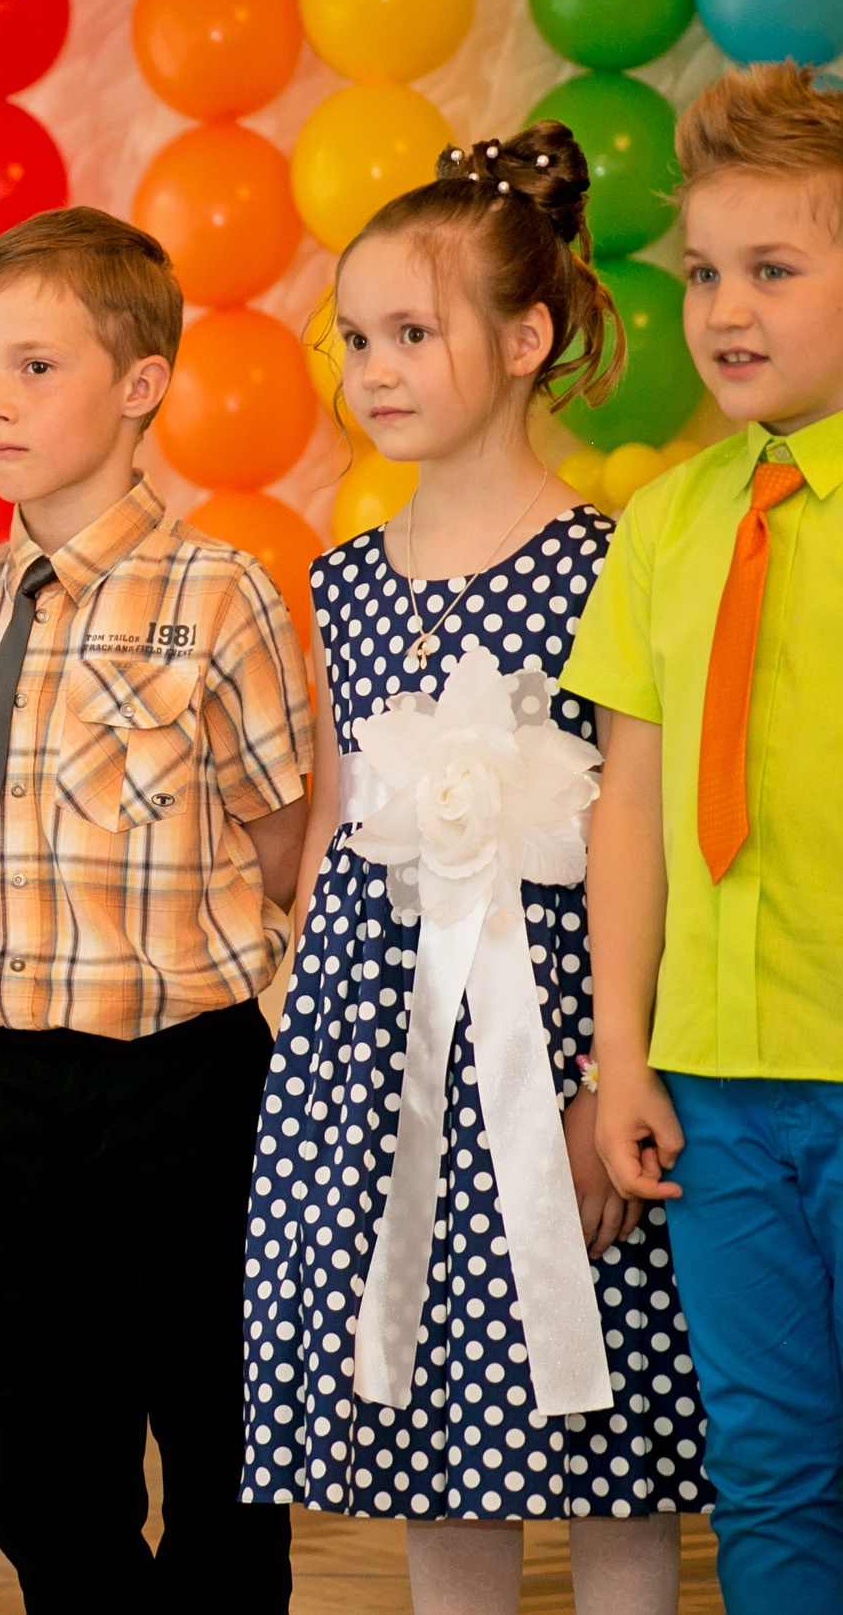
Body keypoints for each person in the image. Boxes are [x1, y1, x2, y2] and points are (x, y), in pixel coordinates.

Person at [239, 124, 709, 1615]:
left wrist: (618, 1062)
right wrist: (306, 1035)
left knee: (610, 1425)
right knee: (435, 1427)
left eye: (413, 333)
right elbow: (336, 816)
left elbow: (645, 818)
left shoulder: (612, 556)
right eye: (356, 338)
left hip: (564, 1038)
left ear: (525, 337)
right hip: (380, 1051)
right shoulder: (345, 575)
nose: (374, 368)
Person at [0, 206, 311, 1612]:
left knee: (213, 1421)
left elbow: (280, 836)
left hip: (183, 1072)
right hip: (4, 1068)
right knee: (43, 1446)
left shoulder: (223, 592)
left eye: (34, 366)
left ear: (141, 382)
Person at [570, 62, 843, 1615]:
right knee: (769, 1457)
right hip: (724, 1085)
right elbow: (631, 804)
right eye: (702, 275)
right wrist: (624, 1053)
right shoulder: (669, 525)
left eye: (775, 269)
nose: (726, 308)